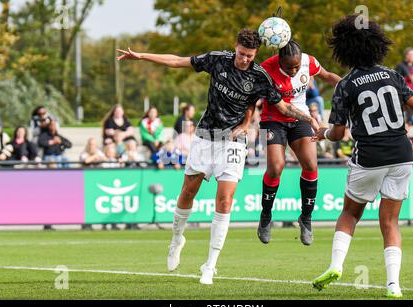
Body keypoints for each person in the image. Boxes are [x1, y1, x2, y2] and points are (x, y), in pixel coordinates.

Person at [117, 28, 319, 285]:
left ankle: (210, 265)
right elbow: (178, 61)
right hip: (204, 137)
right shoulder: (217, 59)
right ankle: (177, 238)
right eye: (242, 53)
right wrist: (142, 56)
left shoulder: (259, 76)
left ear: (255, 55)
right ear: (235, 47)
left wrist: (308, 118)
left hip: (233, 143)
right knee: (187, 193)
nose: (244, 59)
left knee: (224, 201)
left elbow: (282, 105)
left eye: (250, 56)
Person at [311, 15, 413, 298]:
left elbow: (338, 134)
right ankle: (393, 286)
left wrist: (322, 134)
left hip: (369, 157)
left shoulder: (346, 84)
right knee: (390, 222)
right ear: (377, 45)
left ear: (345, 50)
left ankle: (336, 265)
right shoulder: (393, 75)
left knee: (350, 213)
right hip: (401, 154)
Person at [257, 40, 341, 246]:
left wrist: (348, 85)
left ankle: (306, 218)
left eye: (296, 66)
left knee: (311, 165)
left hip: (299, 120)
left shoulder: (309, 61)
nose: (294, 70)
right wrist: (311, 119)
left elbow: (328, 76)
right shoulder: (266, 70)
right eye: (289, 67)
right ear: (279, 61)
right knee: (276, 167)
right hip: (272, 121)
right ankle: (266, 216)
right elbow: (283, 107)